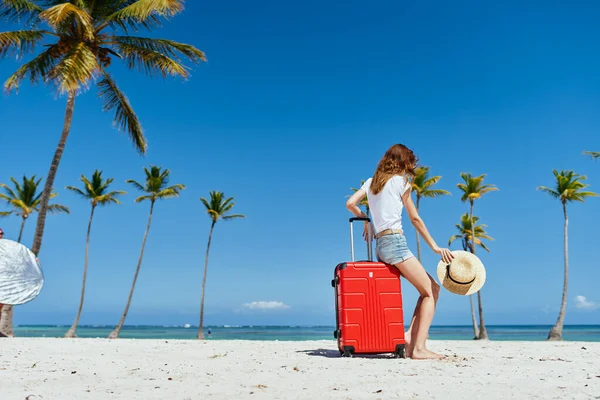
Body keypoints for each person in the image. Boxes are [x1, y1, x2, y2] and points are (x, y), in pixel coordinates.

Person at [346, 143, 453, 360]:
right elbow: (415, 218)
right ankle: (419, 349)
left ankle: (409, 337)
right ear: (403, 161)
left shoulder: (371, 182)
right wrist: (434, 246)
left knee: (429, 288)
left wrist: (365, 220)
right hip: (395, 242)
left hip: (381, 246)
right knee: (431, 291)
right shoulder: (401, 182)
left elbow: (350, 203)